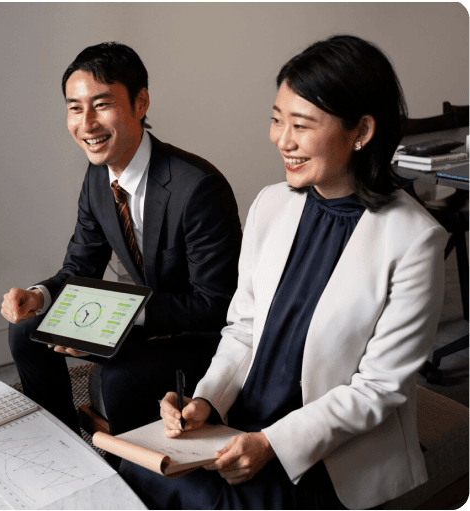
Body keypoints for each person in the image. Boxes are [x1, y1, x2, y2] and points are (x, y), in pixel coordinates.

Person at [118, 35, 448, 510]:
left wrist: (272, 443)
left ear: (362, 131)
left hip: (325, 455)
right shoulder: (271, 204)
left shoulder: (414, 239)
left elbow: (380, 388)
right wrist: (206, 403)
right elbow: (244, 330)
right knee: (138, 468)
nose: (282, 140)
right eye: (277, 119)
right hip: (242, 427)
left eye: (301, 125)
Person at [0, 42, 242, 445]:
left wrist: (119, 315)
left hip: (199, 337)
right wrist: (40, 296)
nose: (87, 123)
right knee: (26, 331)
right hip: (144, 319)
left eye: (101, 104)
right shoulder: (98, 178)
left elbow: (215, 305)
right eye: (75, 108)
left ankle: (132, 479)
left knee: (120, 378)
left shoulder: (198, 187)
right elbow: (80, 268)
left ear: (141, 101)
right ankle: (67, 449)